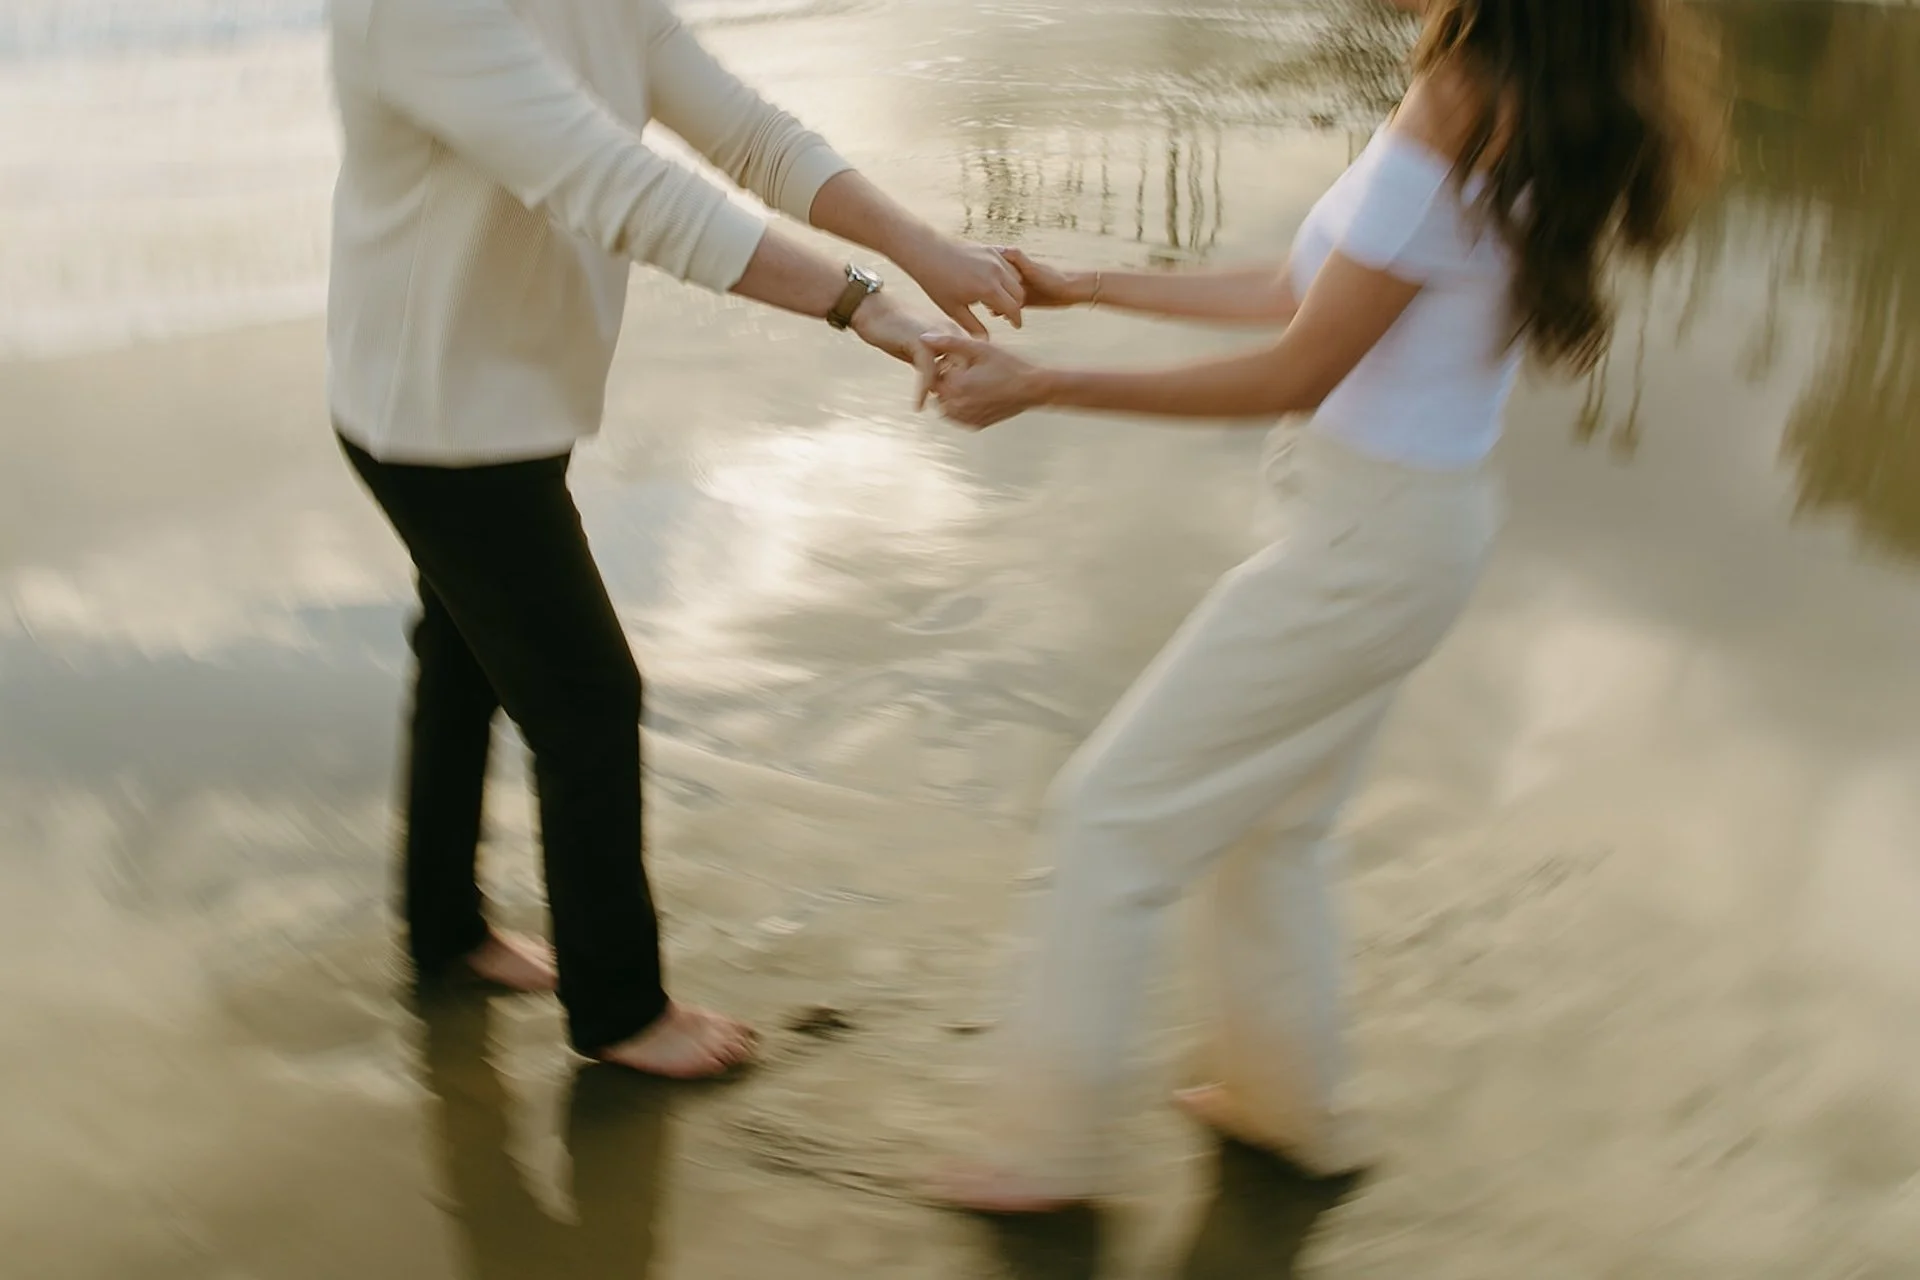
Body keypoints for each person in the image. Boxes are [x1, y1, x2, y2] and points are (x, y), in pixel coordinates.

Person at [921, 0, 1716, 1210]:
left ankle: (1041, 1153)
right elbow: (1315, 291)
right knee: (1273, 829)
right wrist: (1087, 284)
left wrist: (1043, 384)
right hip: (1408, 533)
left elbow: (1301, 366)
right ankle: (1293, 1109)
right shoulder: (1526, 90)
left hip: (1359, 545)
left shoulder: (1463, 100)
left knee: (1110, 816)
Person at [326, 0, 1023, 1080]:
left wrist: (923, 247)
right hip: (436, 419)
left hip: (507, 395)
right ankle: (618, 1008)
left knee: (466, 653)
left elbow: (749, 132)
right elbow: (616, 188)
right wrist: (859, 303)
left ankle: (445, 930)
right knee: (588, 699)